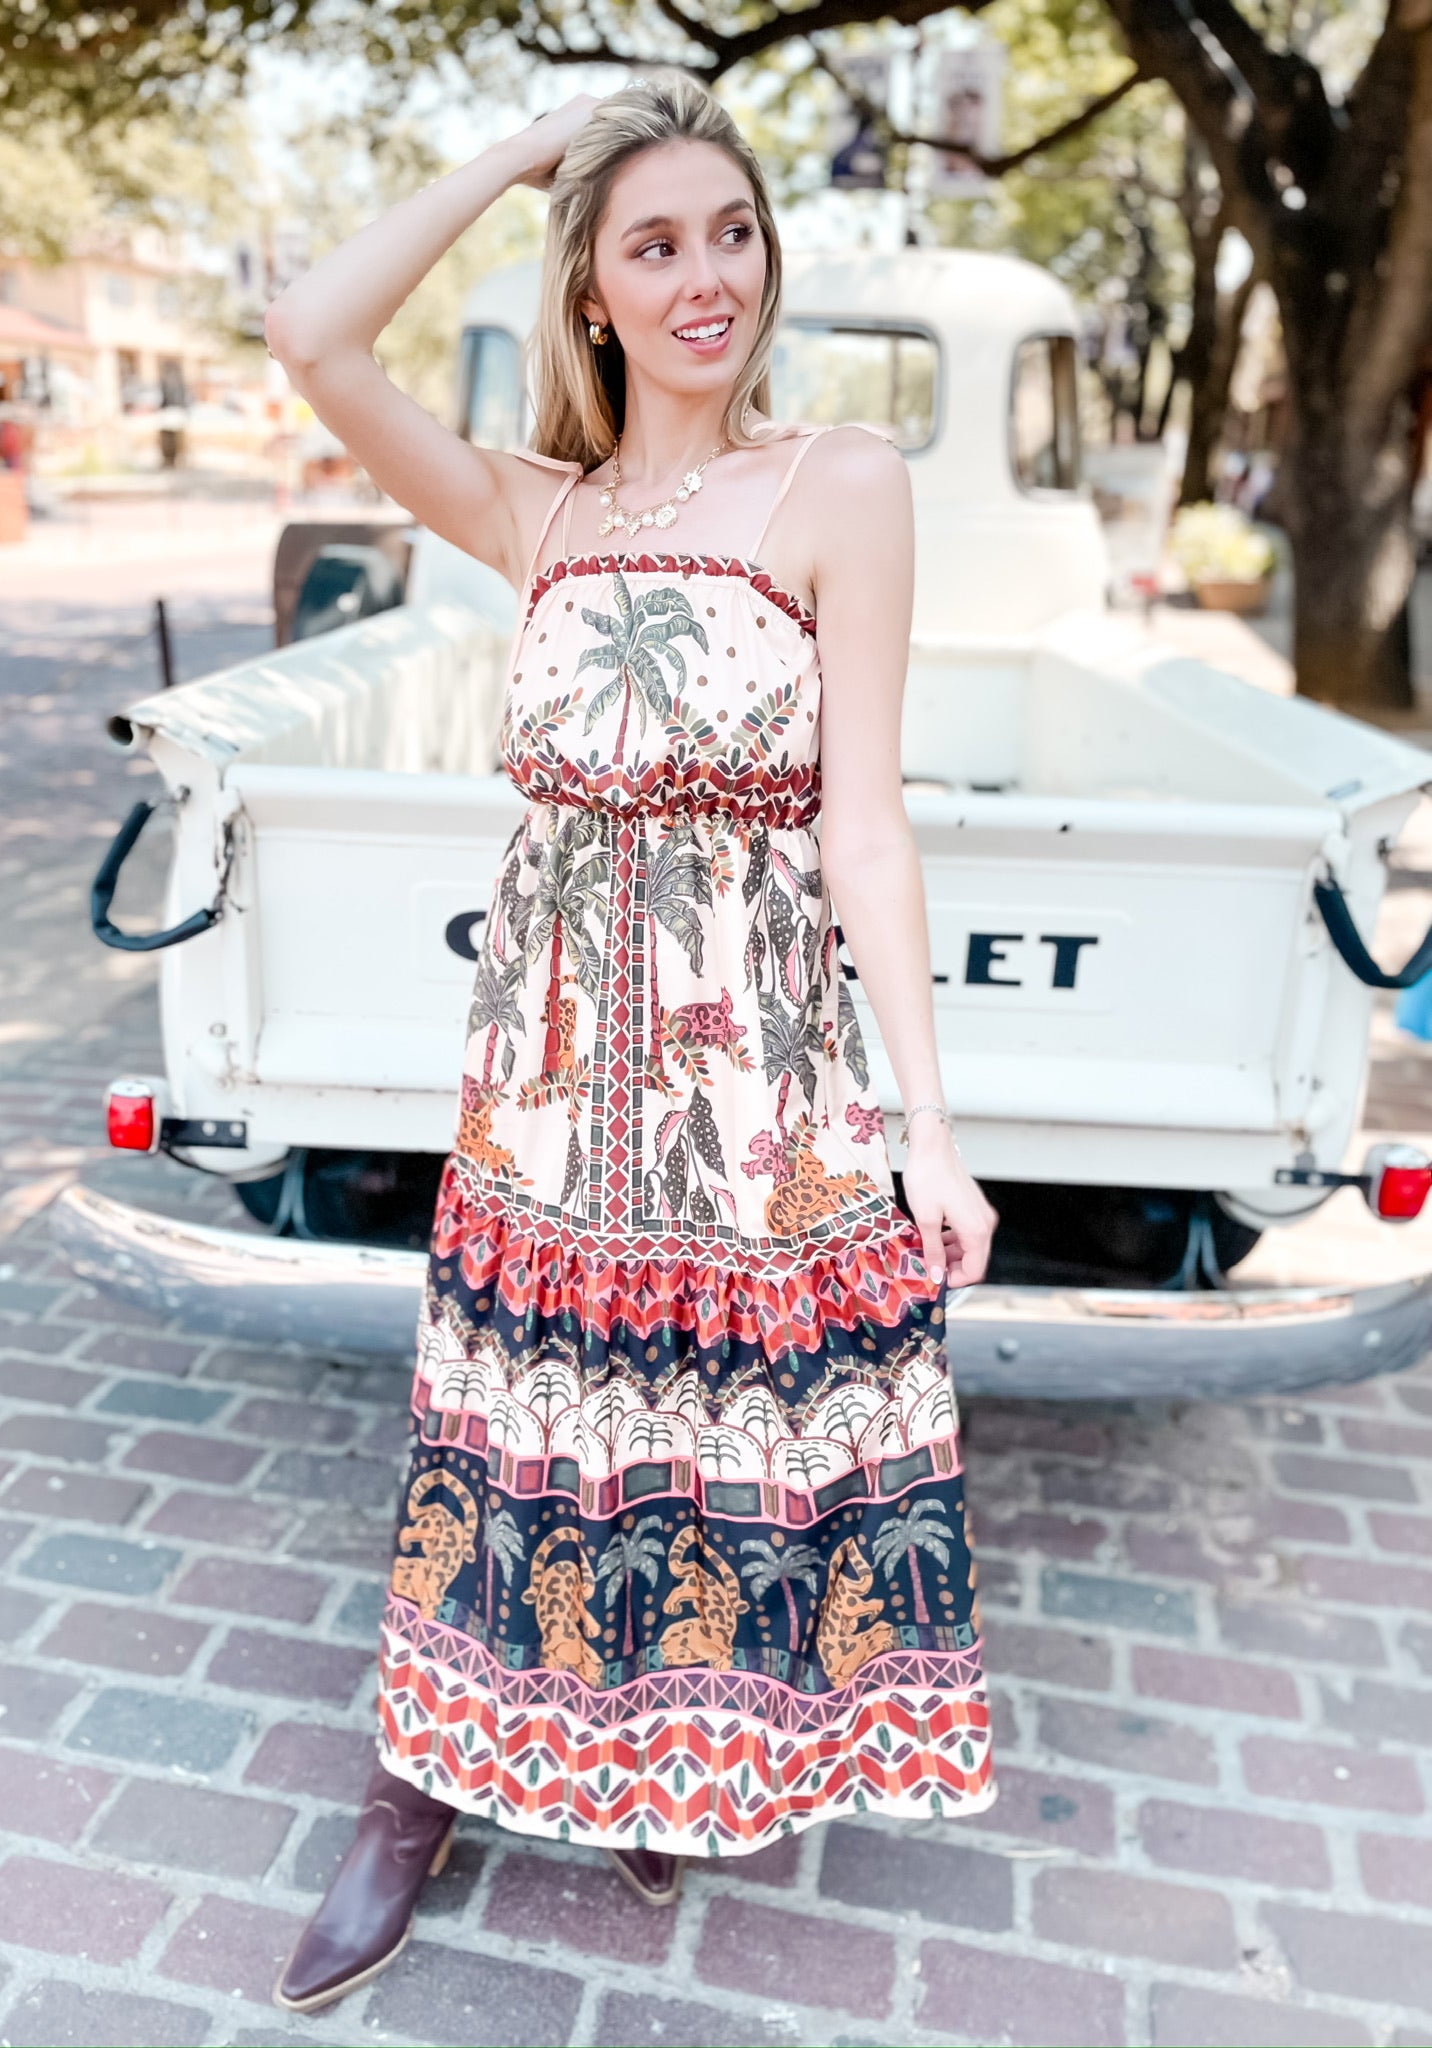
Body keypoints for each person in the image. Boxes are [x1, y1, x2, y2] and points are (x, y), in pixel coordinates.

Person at [263, 74, 1000, 2016]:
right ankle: (408, 1797)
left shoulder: (839, 480)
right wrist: (517, 157)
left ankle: (654, 1754)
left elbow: (865, 817)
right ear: (590, 286)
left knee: (691, 1440)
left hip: (750, 1068)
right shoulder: (542, 505)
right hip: (546, 1062)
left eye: (733, 234)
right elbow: (314, 334)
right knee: (509, 1424)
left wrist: (934, 1126)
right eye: (654, 244)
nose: (706, 279)